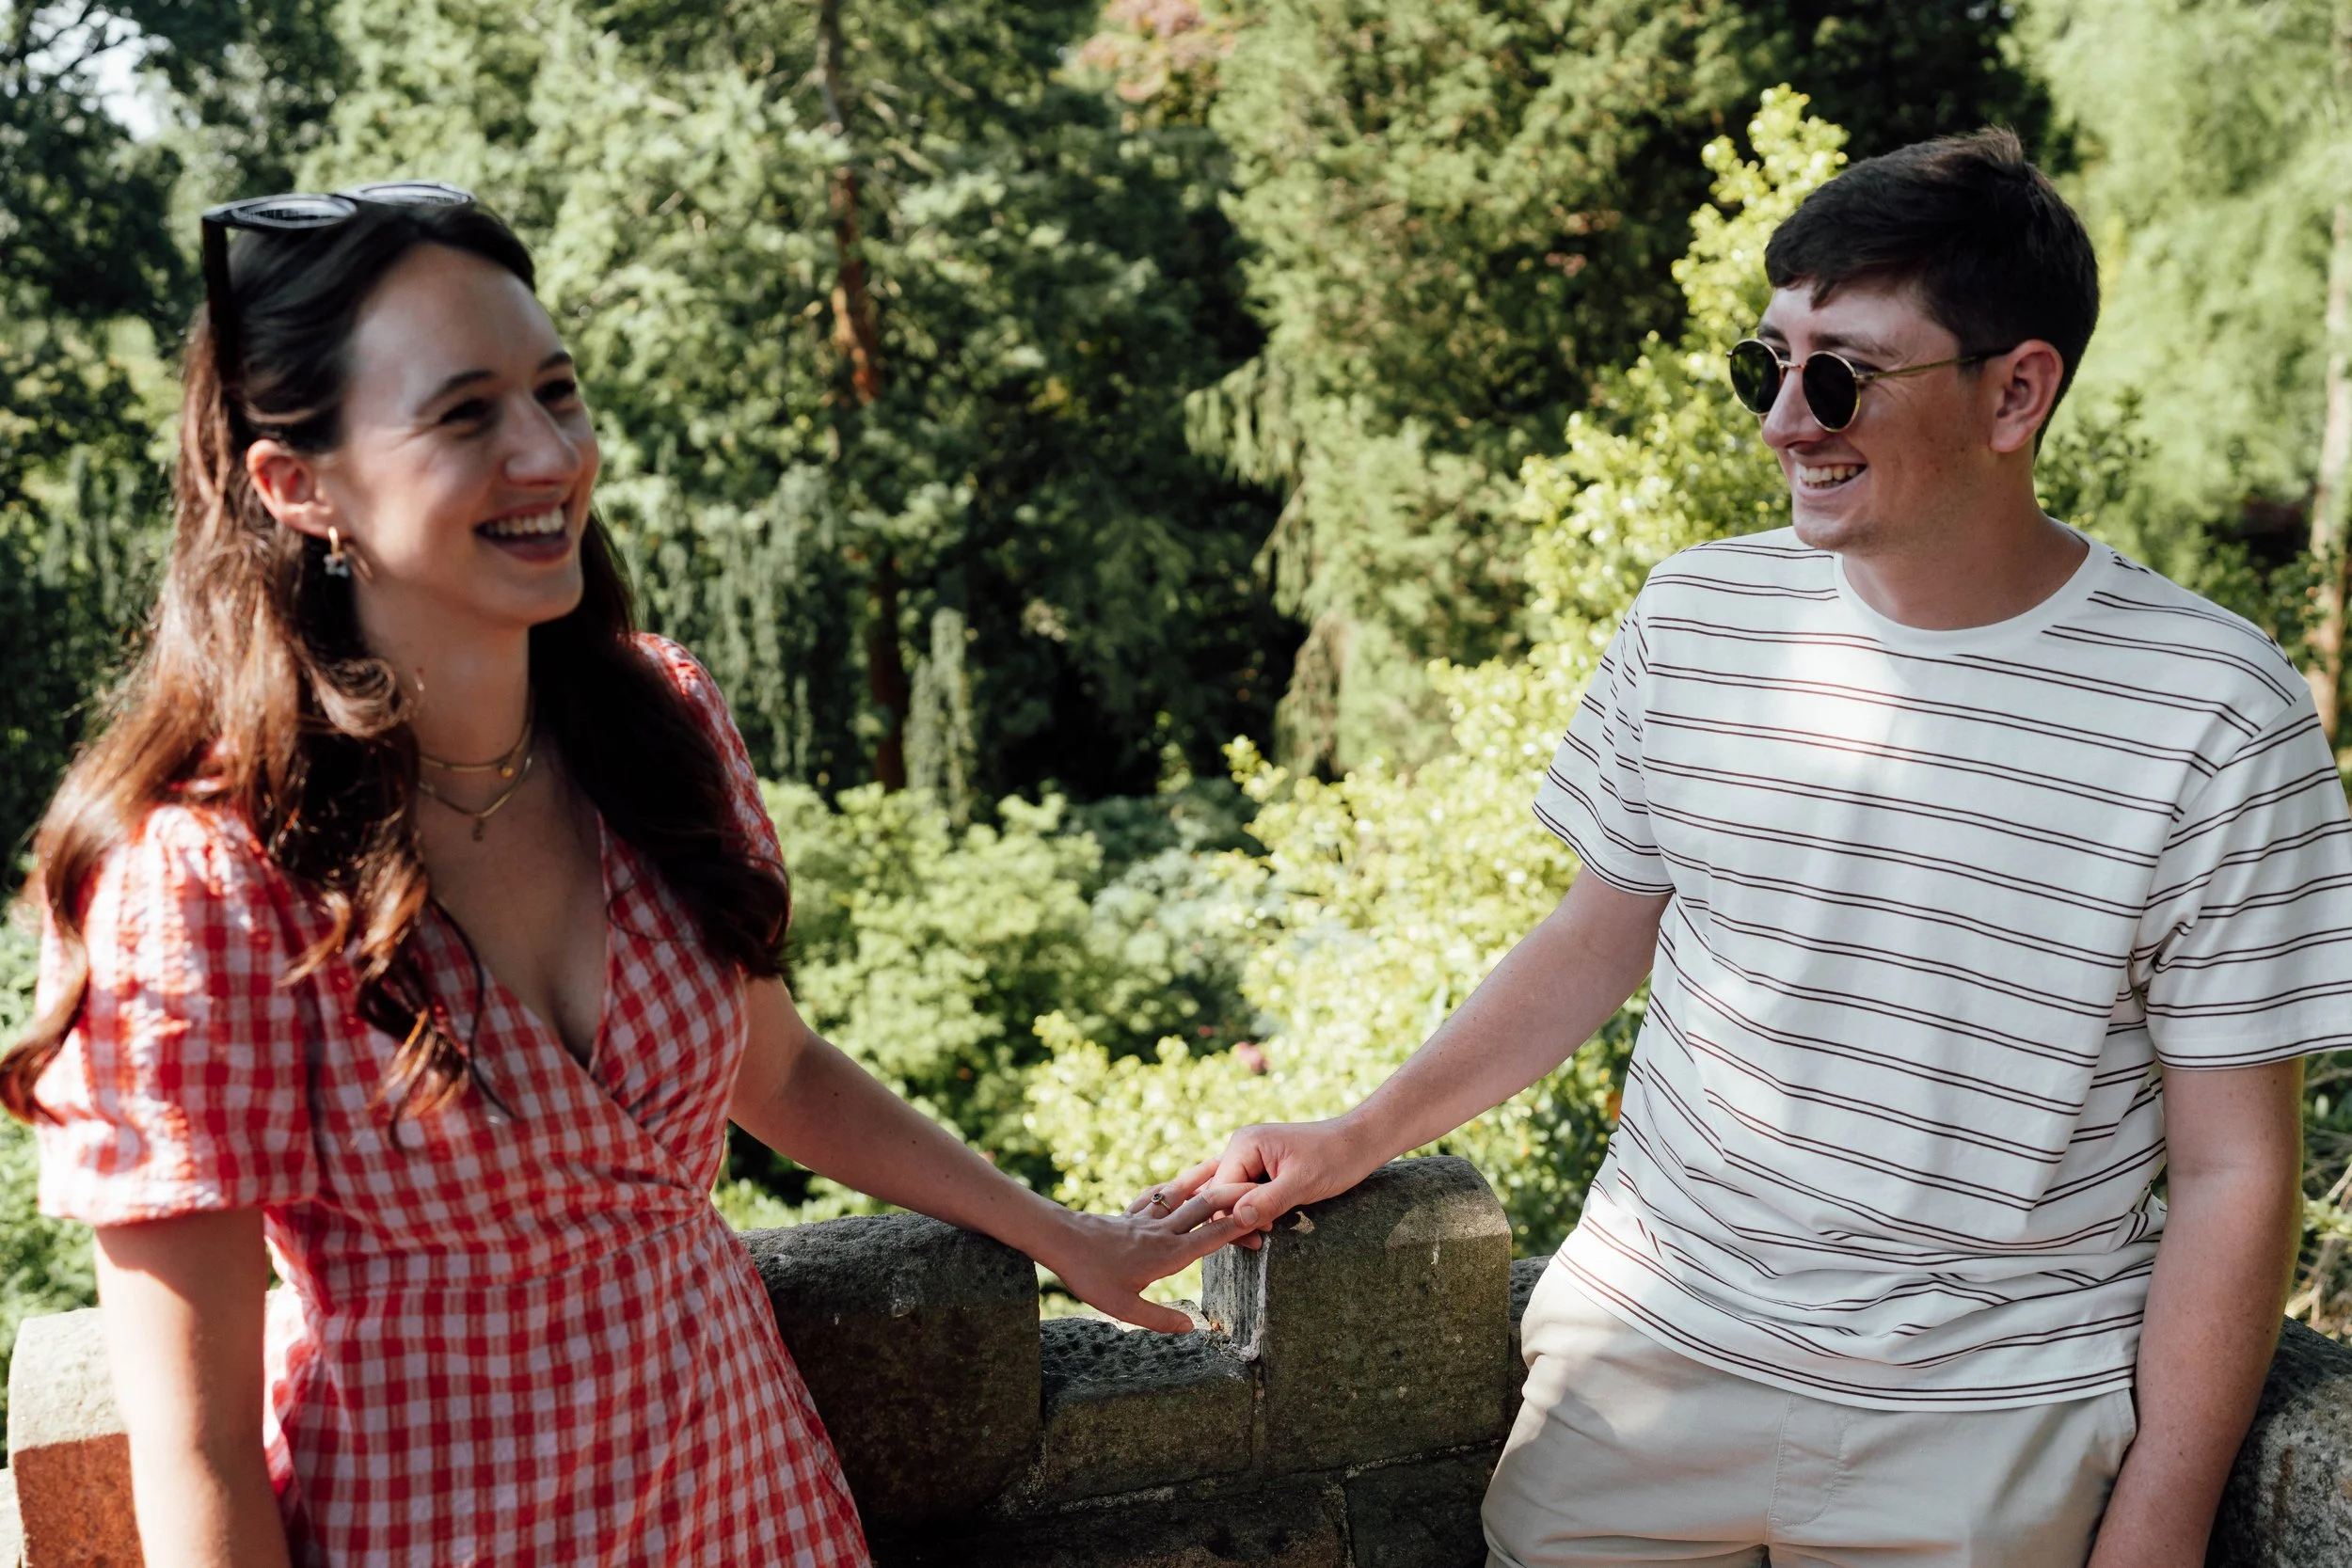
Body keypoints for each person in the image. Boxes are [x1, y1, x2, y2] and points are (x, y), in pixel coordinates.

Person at [0, 185, 1254, 1567]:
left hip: (749, 1497)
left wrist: (1059, 1232)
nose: (549, 452)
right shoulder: (205, 876)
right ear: (300, 486)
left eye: (557, 390)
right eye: (465, 412)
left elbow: (774, 1072)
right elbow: (197, 1452)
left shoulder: (658, 724)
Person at [1158, 129, 2352, 1566]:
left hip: (1990, 1424)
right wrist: (1357, 1133)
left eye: (1840, 372)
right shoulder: (1696, 616)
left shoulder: (2216, 710)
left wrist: (2156, 1522)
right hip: (1643, 1363)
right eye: (1767, 364)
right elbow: (1595, 936)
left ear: (2017, 390)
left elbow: (2235, 1168)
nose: (1787, 421)